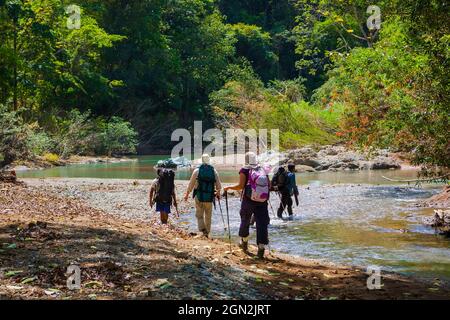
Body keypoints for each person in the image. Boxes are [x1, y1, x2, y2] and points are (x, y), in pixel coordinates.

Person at [223, 152, 271, 259]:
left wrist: (228, 187)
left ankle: (244, 243)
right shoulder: (262, 169)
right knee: (262, 223)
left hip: (248, 200)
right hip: (262, 201)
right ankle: (261, 249)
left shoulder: (244, 170)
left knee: (245, 220)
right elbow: (269, 184)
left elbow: (240, 186)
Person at [184, 154, 222, 237]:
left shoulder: (197, 171)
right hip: (209, 196)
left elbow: (191, 184)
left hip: (199, 196)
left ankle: (202, 230)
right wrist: (218, 194)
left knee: (199, 215)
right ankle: (207, 232)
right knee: (208, 215)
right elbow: (219, 186)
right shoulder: (214, 171)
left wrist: (187, 194)